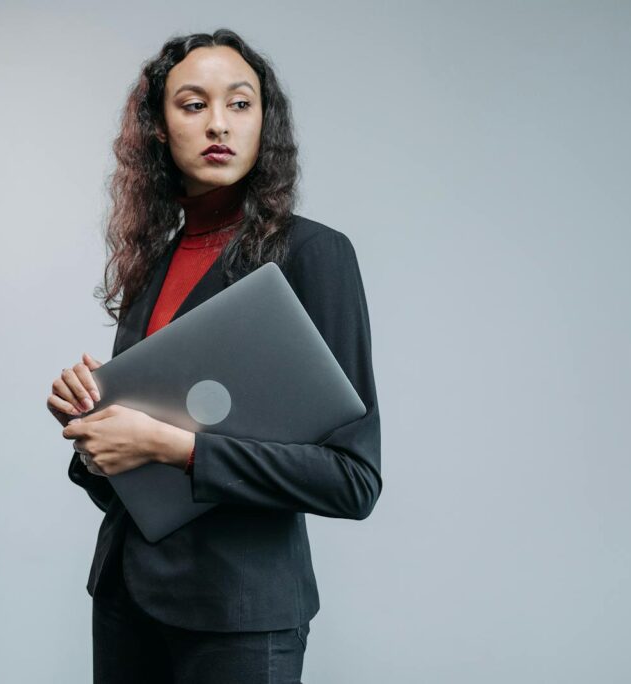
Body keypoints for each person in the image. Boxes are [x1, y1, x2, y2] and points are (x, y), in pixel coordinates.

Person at [45, 29, 382, 684]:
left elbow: (352, 479)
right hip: (123, 599)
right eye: (193, 105)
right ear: (160, 130)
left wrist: (176, 446)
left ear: (266, 124)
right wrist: (91, 430)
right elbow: (131, 486)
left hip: (239, 612)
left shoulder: (313, 256)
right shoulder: (152, 266)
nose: (218, 123)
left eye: (240, 103)